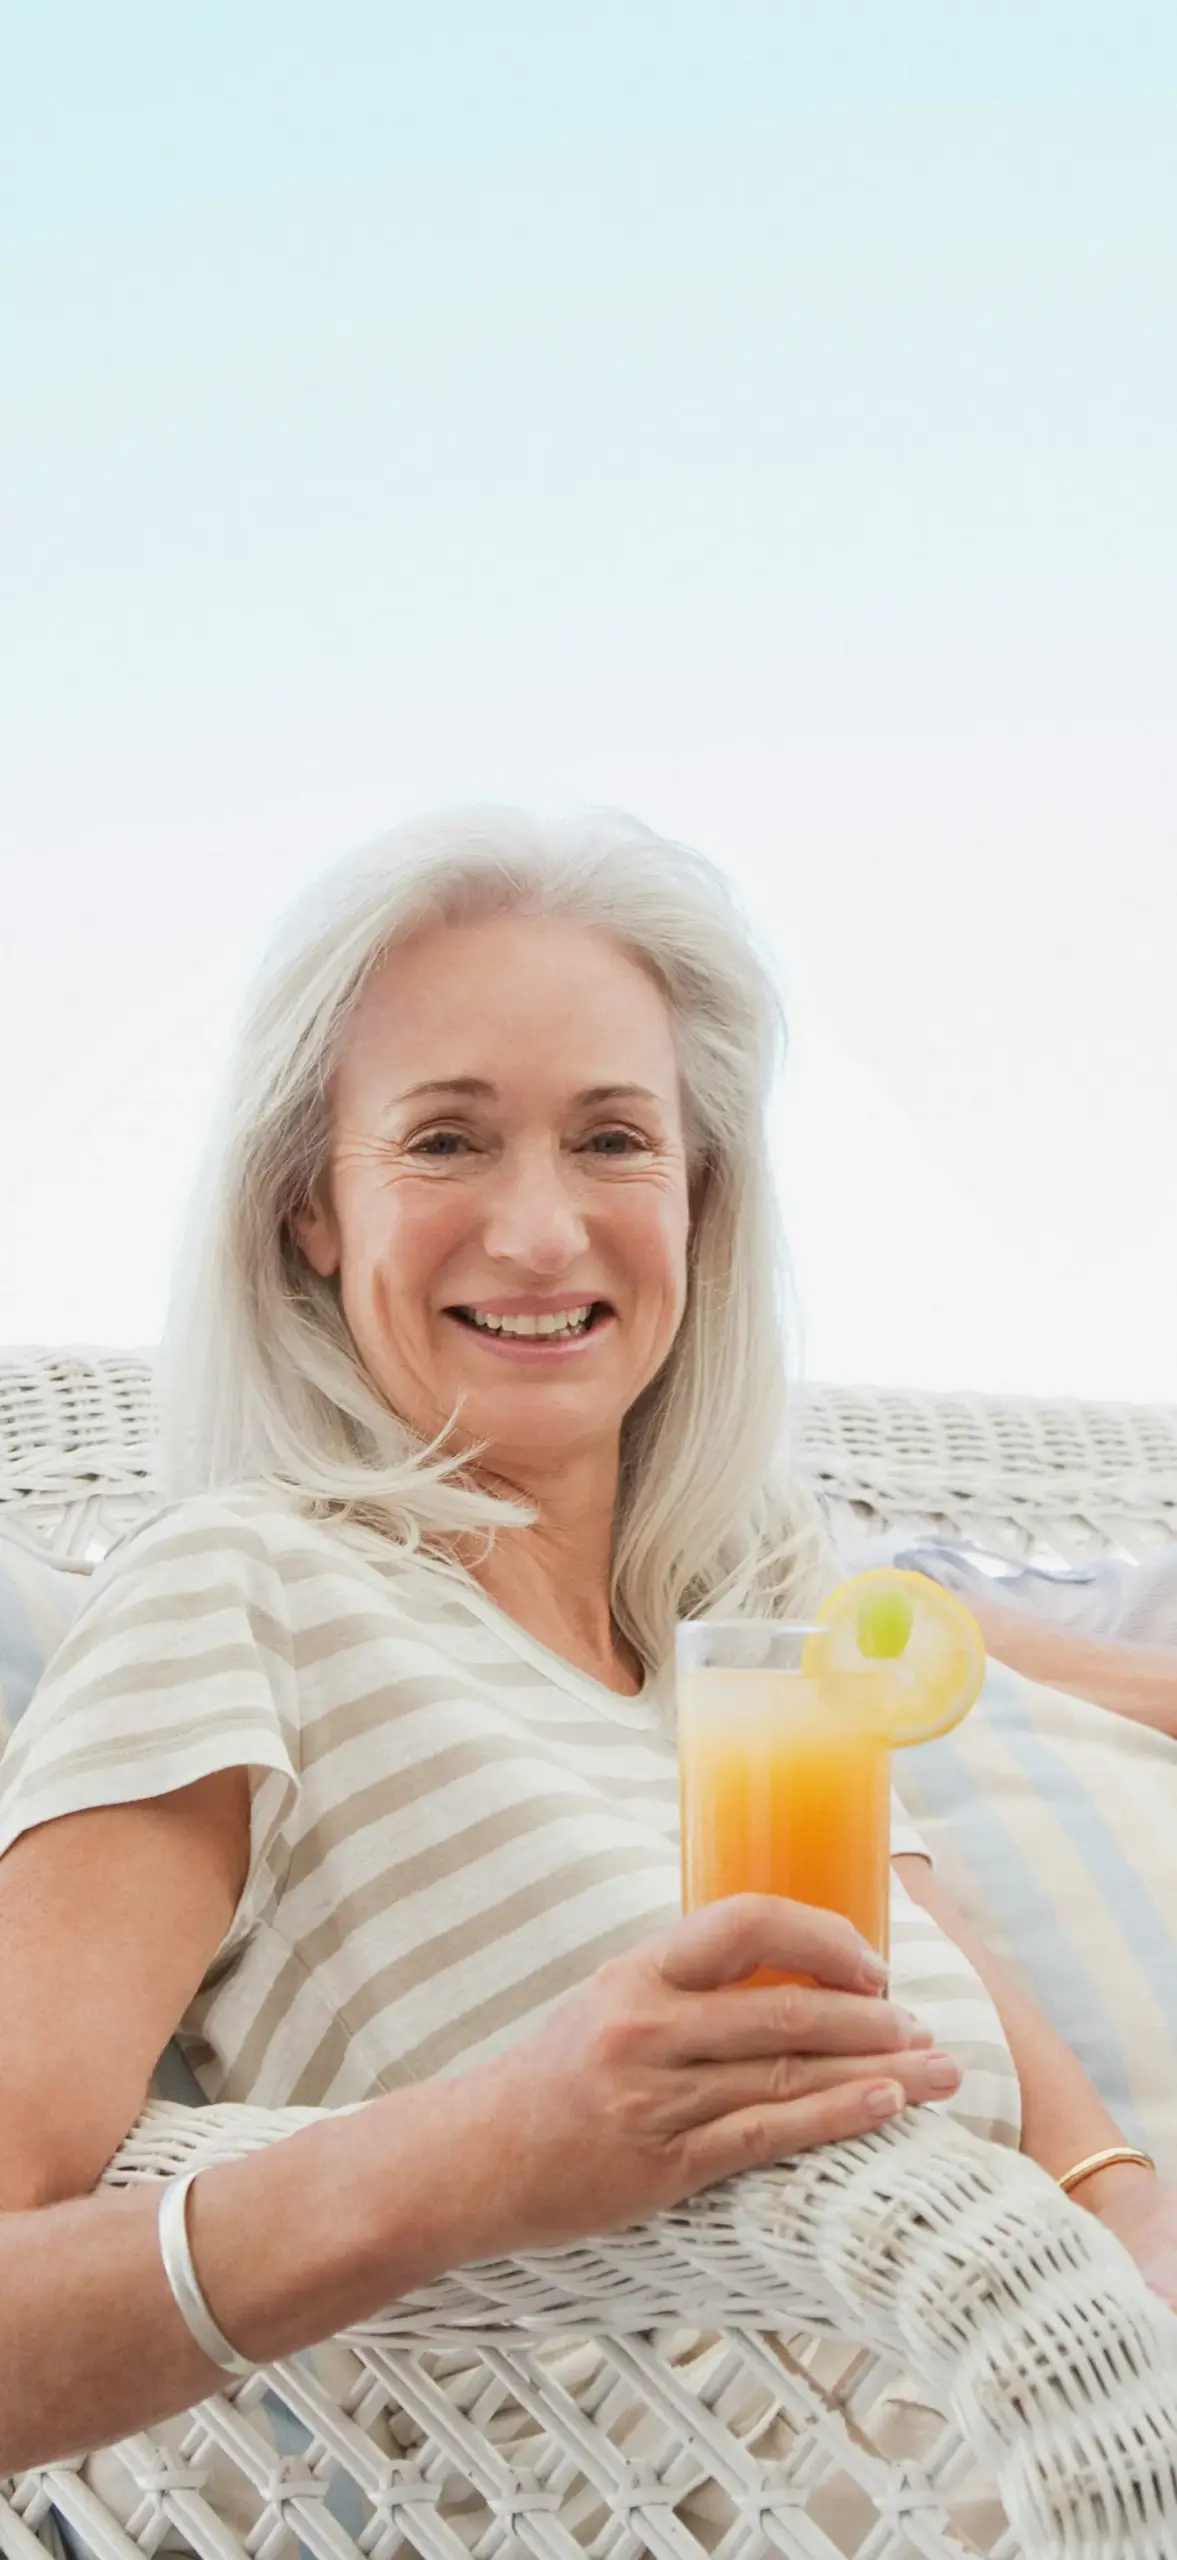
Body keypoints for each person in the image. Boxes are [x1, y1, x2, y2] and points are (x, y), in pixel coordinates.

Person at [1, 806, 1172, 2482]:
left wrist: (1140, 2243)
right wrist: (504, 2141)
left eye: (613, 1141)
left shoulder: (754, 1652)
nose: (542, 1233)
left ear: (699, 1204)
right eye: (447, 1141)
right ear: (309, 1212)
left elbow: (1079, 2160)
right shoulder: (239, 1593)